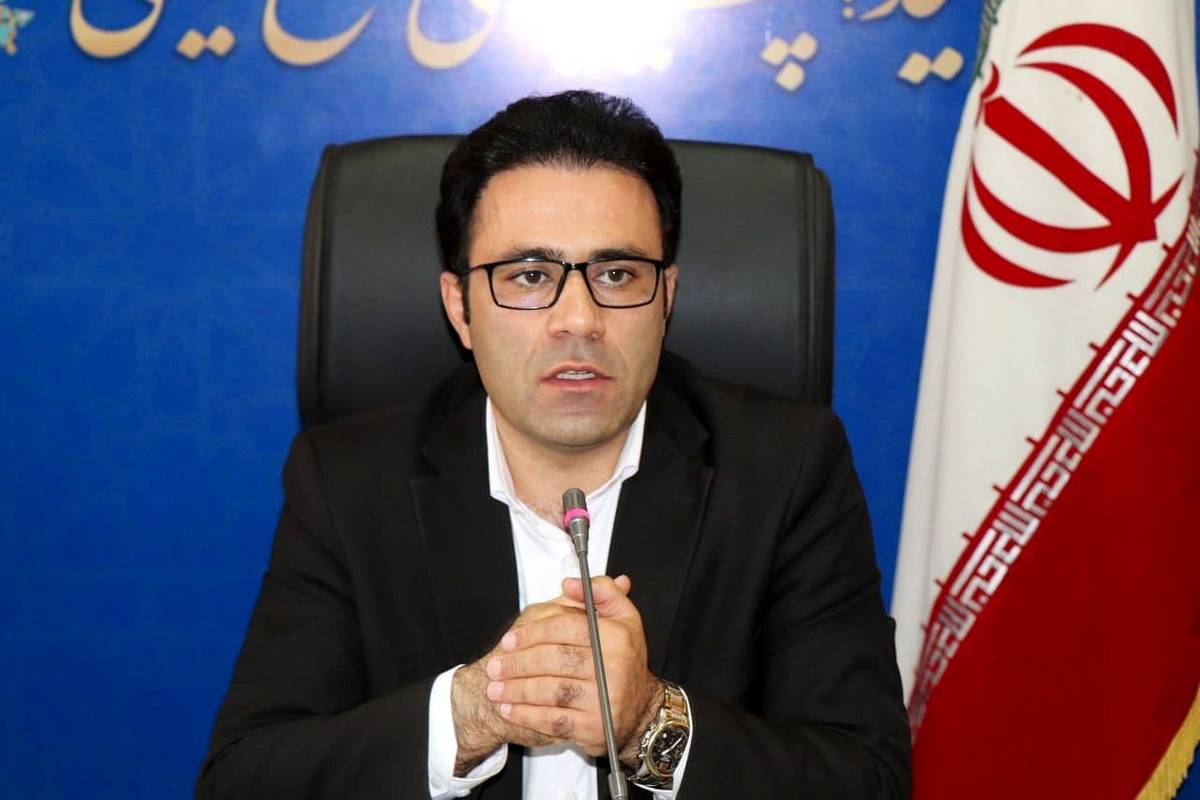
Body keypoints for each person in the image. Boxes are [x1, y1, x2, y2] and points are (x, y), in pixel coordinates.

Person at [197, 90, 911, 799]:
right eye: (531, 276)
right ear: (460, 307)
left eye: (617, 275)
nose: (579, 320)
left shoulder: (785, 470)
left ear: (667, 297)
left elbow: (869, 779)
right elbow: (243, 778)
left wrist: (649, 724)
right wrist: (472, 714)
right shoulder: (350, 481)